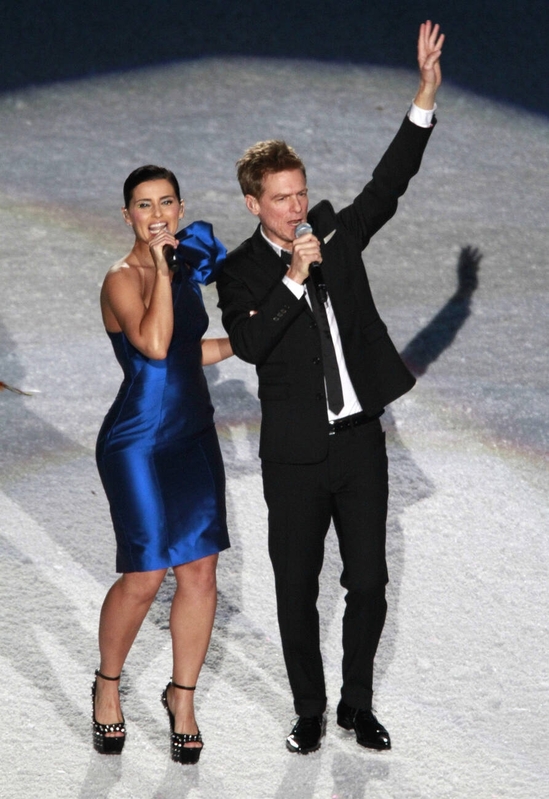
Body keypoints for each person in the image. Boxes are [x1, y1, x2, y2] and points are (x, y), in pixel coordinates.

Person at [217, 21, 444, 754]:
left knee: (369, 583)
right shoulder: (241, 273)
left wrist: (424, 97)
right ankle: (309, 710)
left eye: (301, 193)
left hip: (357, 446)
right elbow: (249, 343)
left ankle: (354, 704)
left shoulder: (333, 236)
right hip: (292, 457)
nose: (294, 207)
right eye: (280, 198)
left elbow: (386, 187)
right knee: (295, 591)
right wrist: (290, 278)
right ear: (253, 202)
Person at [93, 165, 231, 765]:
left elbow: (184, 352)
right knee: (146, 575)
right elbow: (151, 345)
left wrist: (245, 345)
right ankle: (107, 684)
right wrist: (167, 272)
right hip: (139, 442)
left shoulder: (182, 271)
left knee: (200, 572)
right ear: (127, 216)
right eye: (144, 205)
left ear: (180, 207)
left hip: (193, 435)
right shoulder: (121, 278)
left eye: (166, 202)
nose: (157, 213)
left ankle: (183, 697)